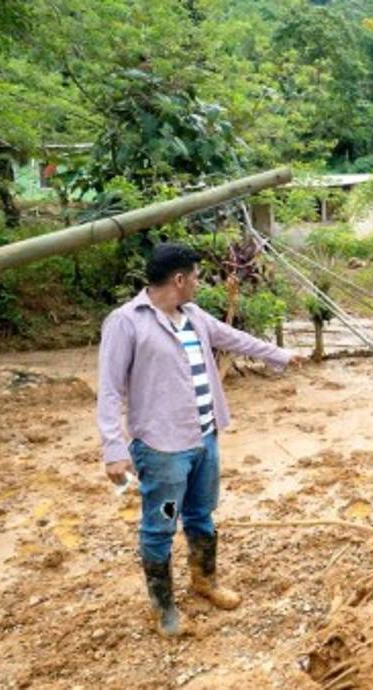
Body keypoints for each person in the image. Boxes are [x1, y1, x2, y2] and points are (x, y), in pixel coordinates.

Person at [96, 242, 302, 637]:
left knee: (201, 514)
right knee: (161, 524)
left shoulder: (192, 316)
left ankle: (204, 581)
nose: (197, 283)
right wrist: (113, 448)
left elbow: (234, 338)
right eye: (194, 276)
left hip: (205, 440)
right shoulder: (127, 322)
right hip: (163, 451)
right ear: (178, 279)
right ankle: (164, 608)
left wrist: (281, 355)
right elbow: (108, 389)